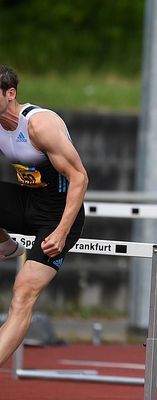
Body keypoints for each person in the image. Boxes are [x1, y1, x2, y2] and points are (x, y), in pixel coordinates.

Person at [0, 65, 87, 366]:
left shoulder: (39, 125)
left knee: (22, 295)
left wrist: (61, 232)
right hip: (28, 201)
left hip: (60, 215)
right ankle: (6, 246)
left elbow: (80, 178)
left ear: (10, 94)